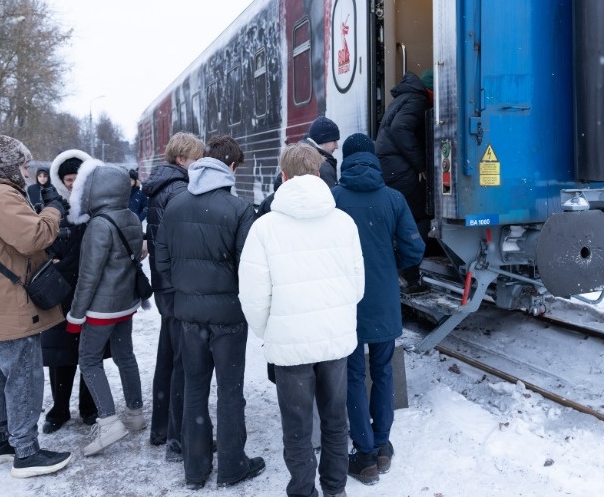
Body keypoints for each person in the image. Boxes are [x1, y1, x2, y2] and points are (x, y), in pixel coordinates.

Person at [238, 143, 365, 497]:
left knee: (297, 429)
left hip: (289, 344)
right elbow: (357, 286)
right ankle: (335, 490)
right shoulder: (344, 223)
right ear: (319, 174)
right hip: (335, 340)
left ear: (284, 176)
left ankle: (303, 491)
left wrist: (271, 331)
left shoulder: (264, 228)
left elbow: (252, 295)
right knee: (335, 422)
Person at [0, 134, 72, 478]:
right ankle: (26, 451)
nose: (27, 172)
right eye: (24, 166)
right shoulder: (1, 195)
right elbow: (34, 237)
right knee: (23, 376)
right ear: (10, 168)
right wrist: (53, 210)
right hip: (9, 302)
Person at [154, 135, 265, 489]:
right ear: (230, 168)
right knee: (230, 391)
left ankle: (195, 469)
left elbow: (162, 260)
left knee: (195, 388)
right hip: (229, 318)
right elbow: (248, 267)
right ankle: (232, 466)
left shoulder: (175, 205)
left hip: (189, 316)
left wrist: (187, 290)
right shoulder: (239, 209)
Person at [332, 133, 425, 485]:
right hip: (384, 299)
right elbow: (414, 251)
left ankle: (365, 453)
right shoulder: (394, 198)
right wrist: (389, 263)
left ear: (345, 160)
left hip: (347, 301)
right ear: (373, 159)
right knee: (383, 371)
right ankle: (383, 444)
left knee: (354, 374)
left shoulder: (334, 198)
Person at [64, 160, 148, 456]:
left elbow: (89, 276)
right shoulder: (131, 217)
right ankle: (136, 414)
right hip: (126, 304)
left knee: (88, 360)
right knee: (125, 356)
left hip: (101, 309)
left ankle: (109, 420)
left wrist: (76, 315)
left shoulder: (99, 225)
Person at [141, 131, 205, 461]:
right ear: (182, 160)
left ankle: (161, 429)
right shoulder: (179, 189)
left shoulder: (161, 187)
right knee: (184, 362)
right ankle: (179, 440)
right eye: (196, 158)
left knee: (168, 357)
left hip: (165, 285)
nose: (200, 163)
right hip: (177, 286)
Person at [40, 149, 98, 434]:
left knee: (89, 353)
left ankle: (89, 407)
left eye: (77, 177)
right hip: (61, 294)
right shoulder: (53, 206)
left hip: (90, 290)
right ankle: (59, 409)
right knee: (60, 355)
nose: (73, 183)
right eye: (68, 178)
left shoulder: (95, 205)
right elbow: (45, 247)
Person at [375, 71, 433, 288]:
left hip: (390, 166)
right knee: (422, 216)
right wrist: (421, 165)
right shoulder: (417, 99)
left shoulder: (404, 97)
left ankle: (399, 270)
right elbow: (401, 129)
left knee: (403, 217)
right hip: (399, 167)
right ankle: (408, 275)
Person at [303, 115, 341, 187]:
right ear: (323, 140)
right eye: (334, 141)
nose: (337, 146)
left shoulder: (296, 156)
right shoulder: (322, 167)